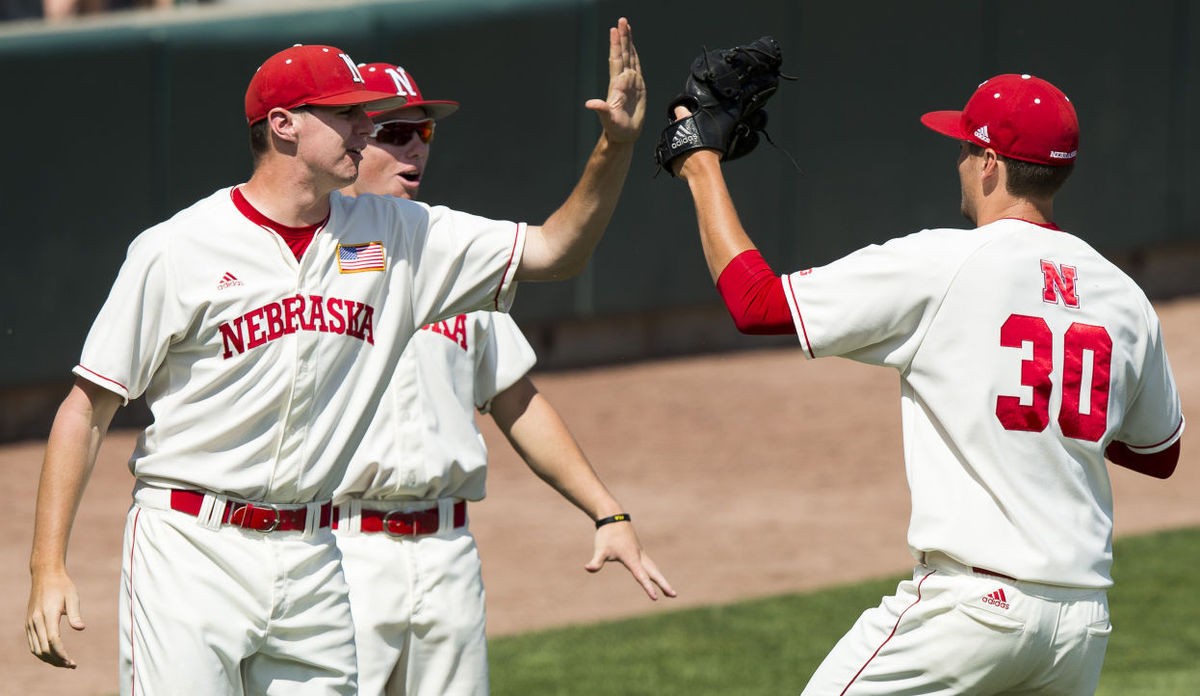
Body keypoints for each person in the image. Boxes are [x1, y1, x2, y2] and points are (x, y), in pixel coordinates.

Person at [26, 17, 645, 695]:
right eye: (348, 113)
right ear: (285, 124)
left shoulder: (400, 234)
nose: (364, 127)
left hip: (313, 556)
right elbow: (85, 412)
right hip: (190, 547)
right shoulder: (177, 249)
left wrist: (614, 148)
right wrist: (47, 567)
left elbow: (557, 251)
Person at [666, 73, 1184, 694]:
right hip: (1079, 627)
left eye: (965, 147)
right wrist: (1044, 410)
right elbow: (1161, 453)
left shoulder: (943, 263)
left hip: (970, 615)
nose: (959, 160)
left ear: (991, 164)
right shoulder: (1122, 295)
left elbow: (757, 304)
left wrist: (699, 163)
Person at [333, 62, 675, 695]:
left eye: (425, 135)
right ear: (350, 141)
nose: (416, 147)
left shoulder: (451, 256)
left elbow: (516, 397)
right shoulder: (301, 265)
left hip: (447, 554)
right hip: (338, 552)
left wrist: (607, 512)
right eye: (398, 131)